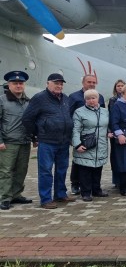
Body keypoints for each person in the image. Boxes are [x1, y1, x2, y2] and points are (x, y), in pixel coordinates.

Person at [22, 73, 75, 209]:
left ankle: (60, 194)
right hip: (47, 142)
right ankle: (46, 199)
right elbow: (27, 119)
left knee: (62, 169)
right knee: (45, 170)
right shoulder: (39, 98)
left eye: (61, 84)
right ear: (48, 83)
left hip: (63, 141)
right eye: (56, 83)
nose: (59, 86)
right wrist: (36, 134)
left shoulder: (66, 99)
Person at [0, 71, 34, 210]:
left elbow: (31, 122)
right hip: (8, 142)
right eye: (15, 83)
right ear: (9, 85)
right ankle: (5, 197)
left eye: (21, 83)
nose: (18, 85)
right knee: (6, 171)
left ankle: (16, 194)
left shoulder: (28, 101)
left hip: (24, 142)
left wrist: (34, 138)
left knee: (22, 170)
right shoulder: (2, 100)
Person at [68, 74, 106, 195]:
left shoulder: (101, 99)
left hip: (98, 141)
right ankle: (77, 185)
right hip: (83, 139)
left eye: (94, 82)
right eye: (89, 82)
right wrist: (74, 141)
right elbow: (70, 119)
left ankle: (96, 189)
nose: (91, 84)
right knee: (80, 165)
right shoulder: (74, 97)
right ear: (83, 82)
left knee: (96, 166)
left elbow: (104, 119)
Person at [72, 89, 110, 202]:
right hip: (86, 145)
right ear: (85, 100)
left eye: (93, 98)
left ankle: (96, 189)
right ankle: (86, 192)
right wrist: (77, 144)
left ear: (98, 99)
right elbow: (75, 129)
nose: (91, 100)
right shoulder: (79, 112)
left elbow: (107, 125)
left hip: (101, 145)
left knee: (98, 168)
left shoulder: (105, 111)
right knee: (85, 170)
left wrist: (110, 132)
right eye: (88, 98)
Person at [108, 79, 126, 187]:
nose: (120, 87)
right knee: (115, 156)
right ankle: (117, 180)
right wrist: (111, 131)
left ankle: (124, 179)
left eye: (122, 85)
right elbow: (111, 116)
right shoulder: (113, 100)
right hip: (115, 131)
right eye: (118, 86)